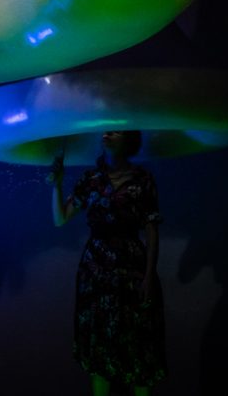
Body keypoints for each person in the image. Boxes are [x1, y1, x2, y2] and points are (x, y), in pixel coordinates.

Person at [49, 131, 167, 396]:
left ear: (129, 139)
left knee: (140, 346)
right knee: (99, 346)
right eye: (106, 130)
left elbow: (151, 230)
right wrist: (56, 183)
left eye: (116, 130)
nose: (108, 133)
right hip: (96, 271)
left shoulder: (142, 180)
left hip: (131, 268)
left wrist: (149, 276)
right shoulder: (90, 180)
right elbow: (60, 218)